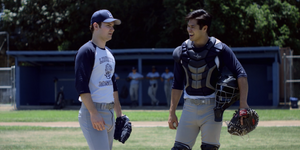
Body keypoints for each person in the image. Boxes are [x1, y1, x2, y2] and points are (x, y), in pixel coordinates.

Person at [168, 9, 249, 150]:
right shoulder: (182, 51)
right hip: (189, 107)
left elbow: (240, 73)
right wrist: (172, 112)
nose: (189, 29)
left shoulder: (220, 49)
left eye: (193, 26)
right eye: (188, 26)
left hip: (212, 109)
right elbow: (177, 84)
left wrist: (243, 104)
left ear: (204, 28)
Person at [75, 9, 123, 150]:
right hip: (93, 111)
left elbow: (112, 85)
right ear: (96, 26)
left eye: (113, 26)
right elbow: (81, 85)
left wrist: (119, 114)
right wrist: (94, 113)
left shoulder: (109, 54)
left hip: (109, 113)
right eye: (108, 25)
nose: (112, 29)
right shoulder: (86, 51)